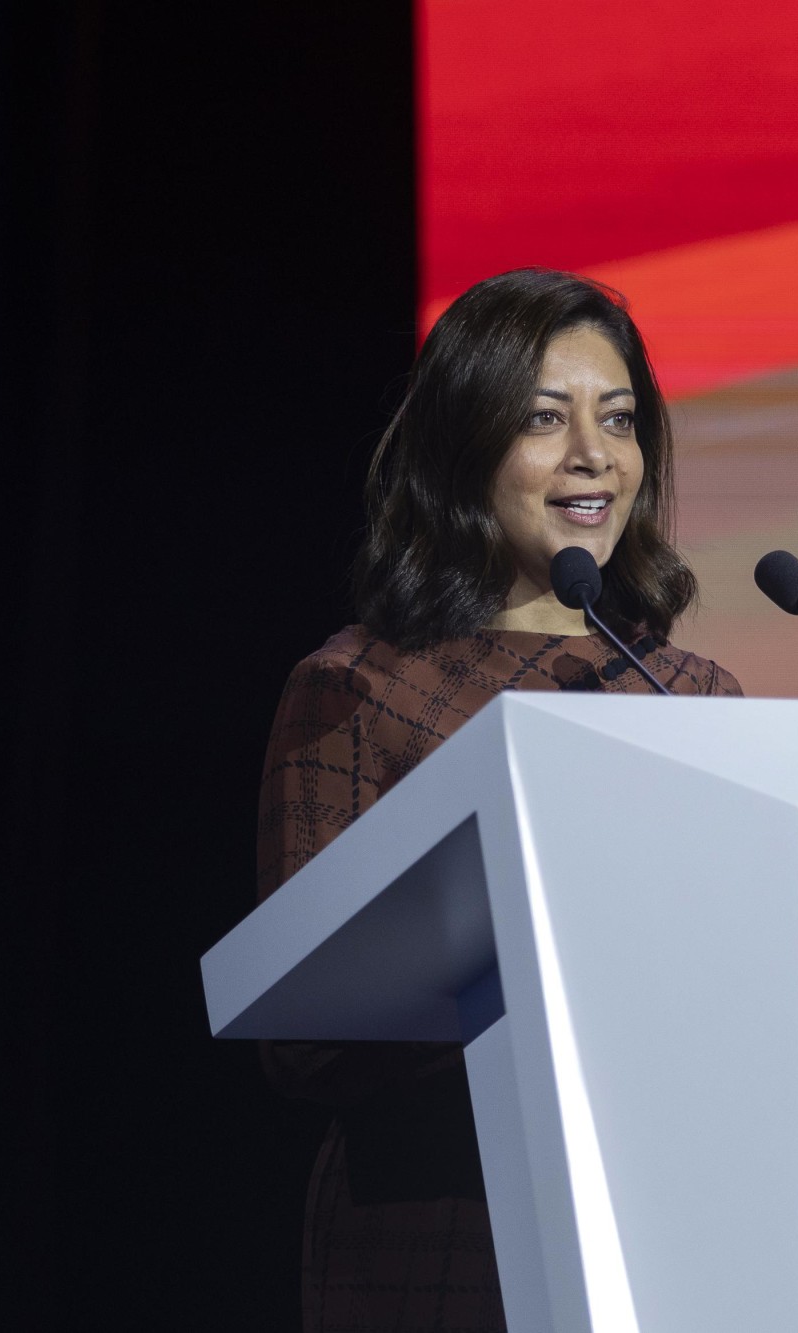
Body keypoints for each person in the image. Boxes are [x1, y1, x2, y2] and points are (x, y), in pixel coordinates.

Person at [255, 268, 743, 1333]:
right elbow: (301, 1037)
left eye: (617, 420)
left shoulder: (690, 695)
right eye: (542, 418)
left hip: (666, 1217)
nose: (593, 456)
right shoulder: (358, 687)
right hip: (439, 1232)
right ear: (463, 444)